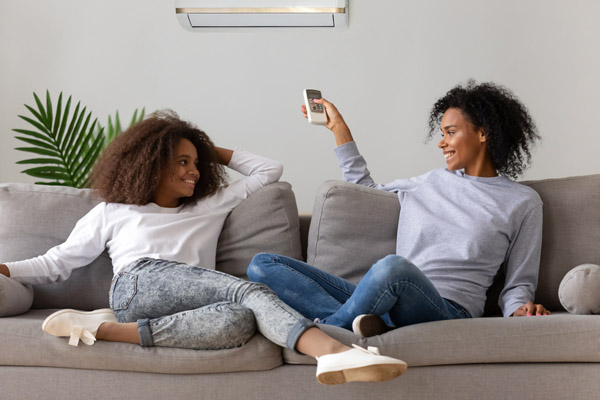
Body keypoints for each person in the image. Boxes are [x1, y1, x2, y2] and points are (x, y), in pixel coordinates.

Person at [0, 111, 407, 385]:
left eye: (196, 162)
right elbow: (58, 261)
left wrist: (200, 146)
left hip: (189, 305)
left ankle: (102, 330)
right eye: (180, 161)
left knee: (239, 322)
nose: (193, 171)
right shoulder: (114, 211)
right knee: (247, 291)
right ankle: (332, 351)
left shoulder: (211, 204)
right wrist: (6, 270)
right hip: (137, 285)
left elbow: (269, 170)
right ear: (152, 162)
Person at [248, 81, 551, 339]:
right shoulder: (428, 183)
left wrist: (519, 310)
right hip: (387, 298)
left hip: (448, 310)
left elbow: (519, 282)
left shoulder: (522, 201)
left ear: (483, 133)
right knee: (263, 264)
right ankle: (360, 324)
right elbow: (363, 191)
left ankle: (332, 332)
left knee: (393, 268)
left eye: (450, 132)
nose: (441, 143)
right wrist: (338, 128)